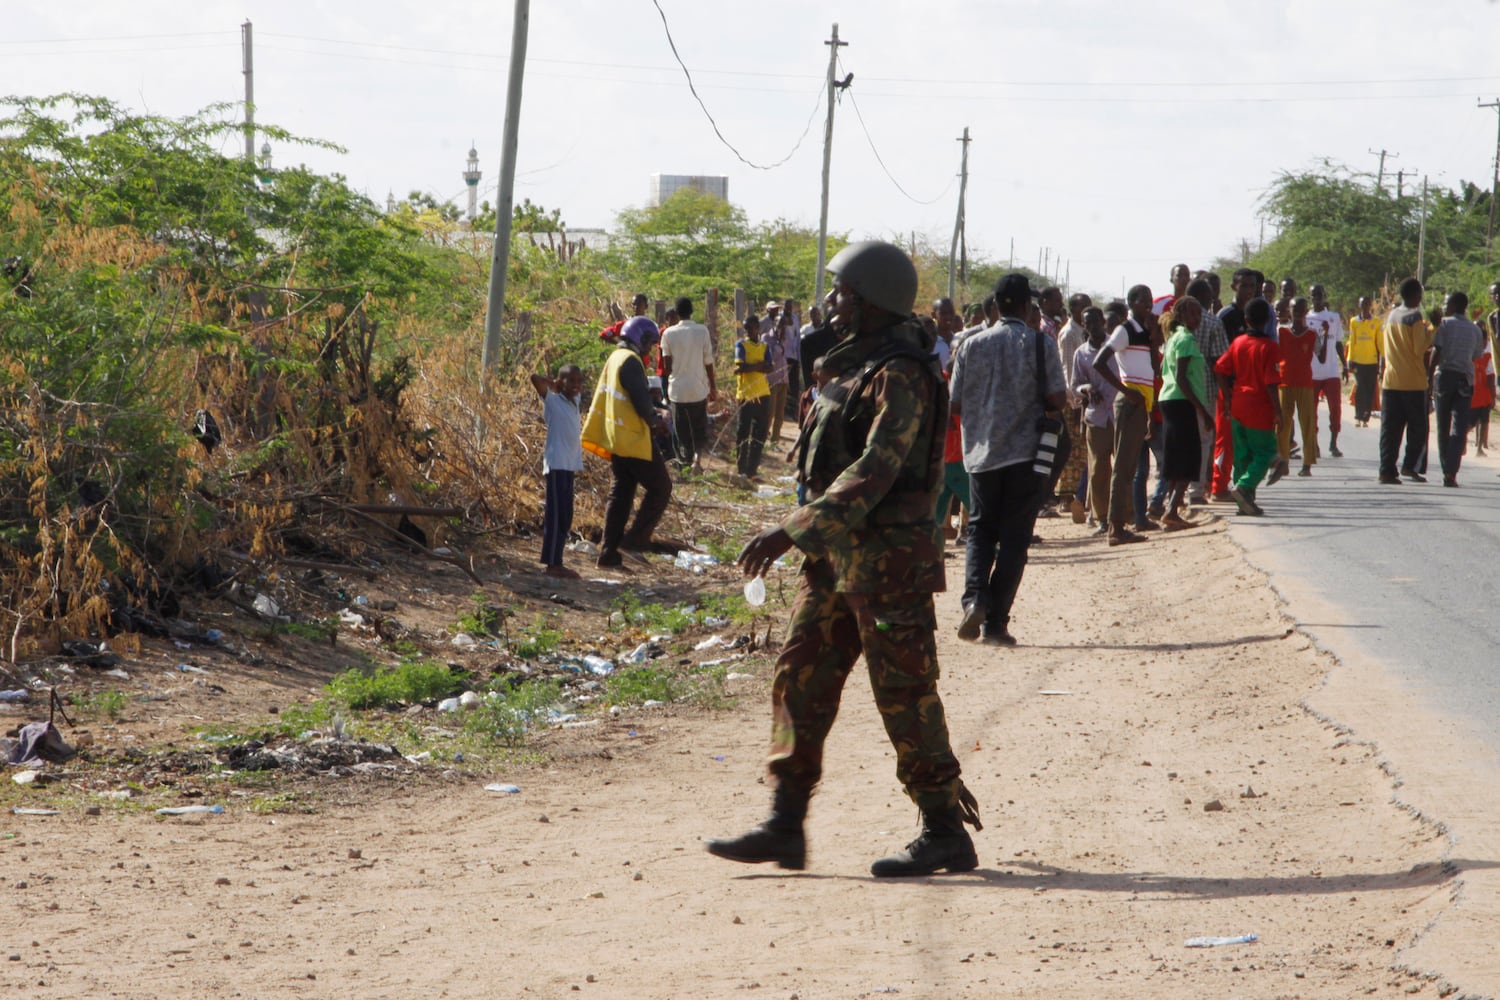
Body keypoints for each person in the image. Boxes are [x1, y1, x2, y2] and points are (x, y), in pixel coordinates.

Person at [707, 241, 981, 878]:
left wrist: (790, 531)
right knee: (798, 678)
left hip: (889, 565)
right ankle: (785, 822)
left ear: (873, 302)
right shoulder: (854, 365)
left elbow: (874, 471)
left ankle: (945, 829)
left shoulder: (902, 374)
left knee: (904, 693)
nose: (832, 302)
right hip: (836, 559)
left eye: (843, 293)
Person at [950, 273, 1067, 645]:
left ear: (997, 306)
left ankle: (974, 599)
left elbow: (955, 403)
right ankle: (996, 623)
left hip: (981, 454)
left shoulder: (970, 344)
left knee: (980, 530)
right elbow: (1057, 398)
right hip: (1026, 455)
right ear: (1026, 306)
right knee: (1015, 539)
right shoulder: (1040, 343)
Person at [581, 316, 673, 568]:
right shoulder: (630, 361)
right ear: (640, 338)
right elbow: (641, 402)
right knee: (661, 488)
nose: (650, 349)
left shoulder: (616, 357)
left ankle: (608, 553)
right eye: (649, 343)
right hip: (632, 439)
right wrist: (658, 421)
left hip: (616, 436)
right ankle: (633, 542)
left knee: (621, 494)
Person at [1092, 284, 1158, 546]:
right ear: (1132, 303)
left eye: (1150, 299)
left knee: (1129, 468)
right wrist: (1126, 391)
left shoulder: (1143, 331)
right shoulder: (1125, 329)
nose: (1149, 304)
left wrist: (1154, 337)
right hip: (1130, 402)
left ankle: (1119, 525)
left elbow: (1154, 367)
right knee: (1122, 467)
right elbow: (1099, 362)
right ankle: (1115, 528)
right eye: (1144, 300)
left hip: (1141, 403)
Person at [1214, 298, 1284, 516]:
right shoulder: (1270, 347)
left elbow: (1219, 369)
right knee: (1265, 453)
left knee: (1242, 455)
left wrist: (1227, 397)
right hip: (1259, 408)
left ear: (1246, 320)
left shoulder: (1238, 343)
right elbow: (1271, 383)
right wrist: (1278, 412)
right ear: (1268, 320)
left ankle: (1244, 504)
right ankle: (1244, 487)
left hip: (1237, 405)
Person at [1156, 296, 1213, 528]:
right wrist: (1203, 411)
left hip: (1169, 399)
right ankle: (1171, 511)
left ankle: (1172, 507)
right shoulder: (1186, 338)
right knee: (1189, 459)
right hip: (1181, 401)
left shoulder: (1172, 337)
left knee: (1175, 457)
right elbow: (1181, 377)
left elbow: (1163, 369)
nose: (1197, 318)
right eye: (1192, 314)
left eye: (1199, 314)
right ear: (1180, 315)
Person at [529, 364, 584, 579]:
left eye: (579, 382)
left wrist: (567, 387)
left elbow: (575, 391)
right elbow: (535, 378)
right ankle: (552, 564)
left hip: (569, 465)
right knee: (555, 516)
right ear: (561, 383)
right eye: (571, 381)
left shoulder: (575, 401)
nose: (576, 385)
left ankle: (557, 561)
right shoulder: (552, 401)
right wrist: (553, 385)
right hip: (556, 464)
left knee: (565, 516)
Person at [1428, 291, 1487, 487]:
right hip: (1465, 381)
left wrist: (1428, 378)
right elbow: (1476, 355)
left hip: (1444, 378)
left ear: (1453, 306)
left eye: (1446, 304)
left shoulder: (1444, 325)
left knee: (1443, 425)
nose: (1444, 308)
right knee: (1459, 427)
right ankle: (1451, 471)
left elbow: (1436, 351)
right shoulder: (1475, 330)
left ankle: (1446, 466)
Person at [1378, 277, 1434, 484]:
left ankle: (1386, 470)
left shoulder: (1391, 315)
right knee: (1418, 428)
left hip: (1391, 381)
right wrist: (1433, 329)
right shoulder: (1414, 317)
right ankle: (1410, 466)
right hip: (1413, 382)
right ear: (1416, 295)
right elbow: (1419, 349)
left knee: (1390, 430)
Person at [660, 296, 717, 473]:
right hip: (698, 389)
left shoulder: (668, 334)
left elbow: (666, 367)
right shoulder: (702, 331)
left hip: (678, 391)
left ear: (677, 313)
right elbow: (708, 362)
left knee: (681, 431)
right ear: (692, 311)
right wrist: (713, 387)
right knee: (699, 429)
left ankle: (684, 464)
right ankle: (697, 461)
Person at [1073, 306, 1117, 533]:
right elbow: (1075, 385)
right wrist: (1087, 388)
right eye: (1086, 322)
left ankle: (1124, 515)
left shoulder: (1116, 346)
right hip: (1096, 416)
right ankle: (1101, 518)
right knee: (1098, 469)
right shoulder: (1081, 353)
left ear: (1103, 321)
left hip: (1119, 414)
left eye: (1094, 321)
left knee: (1123, 468)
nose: (1091, 326)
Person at [1184, 279, 1227, 504]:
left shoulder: (1175, 322)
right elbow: (1219, 362)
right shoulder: (1213, 322)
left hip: (1178, 392)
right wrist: (1226, 394)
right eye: (1210, 295)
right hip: (1206, 390)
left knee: (1182, 441)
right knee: (1203, 441)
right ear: (1202, 297)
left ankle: (1178, 489)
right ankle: (1196, 490)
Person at [1056, 292, 1093, 521]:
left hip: (1084, 398)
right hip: (1073, 400)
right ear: (1074, 309)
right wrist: (1076, 401)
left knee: (1082, 451)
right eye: (1083, 307)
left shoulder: (1083, 331)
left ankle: (1080, 496)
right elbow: (1068, 369)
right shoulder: (1069, 333)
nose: (1086, 310)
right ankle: (1066, 497)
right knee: (1071, 451)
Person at [1277, 298, 1319, 478]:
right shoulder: (1281, 331)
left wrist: (1325, 336)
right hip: (1284, 382)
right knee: (1282, 425)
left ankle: (1307, 464)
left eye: (1301, 309)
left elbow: (1321, 356)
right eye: (1295, 309)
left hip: (1305, 383)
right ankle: (1283, 462)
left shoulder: (1312, 334)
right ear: (1289, 310)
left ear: (1306, 311)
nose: (1298, 312)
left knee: (1308, 424)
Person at [1307, 284, 1347, 457]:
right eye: (1314, 295)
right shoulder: (1305, 317)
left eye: (1320, 294)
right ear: (1309, 297)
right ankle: (1314, 444)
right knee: (1311, 411)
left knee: (1335, 408)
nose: (1317, 297)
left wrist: (1344, 365)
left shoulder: (1333, 317)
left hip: (1331, 371)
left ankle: (1333, 443)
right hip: (1312, 372)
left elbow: (1338, 343)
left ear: (1324, 296)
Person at [734, 314, 773, 480]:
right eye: (746, 329)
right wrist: (759, 365)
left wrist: (751, 367)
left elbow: (770, 368)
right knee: (743, 432)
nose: (748, 331)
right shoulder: (741, 345)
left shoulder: (764, 346)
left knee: (760, 433)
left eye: (750, 328)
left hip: (763, 393)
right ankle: (741, 469)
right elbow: (740, 367)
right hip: (746, 394)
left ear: (758, 328)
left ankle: (752, 470)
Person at [1346, 296, 1383, 426]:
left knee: (1369, 390)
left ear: (1370, 306)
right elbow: (1352, 341)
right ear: (1359, 305)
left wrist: (1382, 361)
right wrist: (1350, 359)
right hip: (1358, 361)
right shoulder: (1354, 322)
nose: (1365, 307)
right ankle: (1358, 415)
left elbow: (1380, 343)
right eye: (1363, 304)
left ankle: (1365, 418)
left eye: (1367, 304)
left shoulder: (1376, 322)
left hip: (1372, 362)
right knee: (1360, 388)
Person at [1473, 327, 1495, 456]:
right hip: (1483, 395)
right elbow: (1491, 377)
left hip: (1471, 393)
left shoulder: (1469, 353)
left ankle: (1461, 443)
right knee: (1483, 421)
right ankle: (1479, 448)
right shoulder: (1487, 356)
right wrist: (1493, 396)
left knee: (1471, 422)